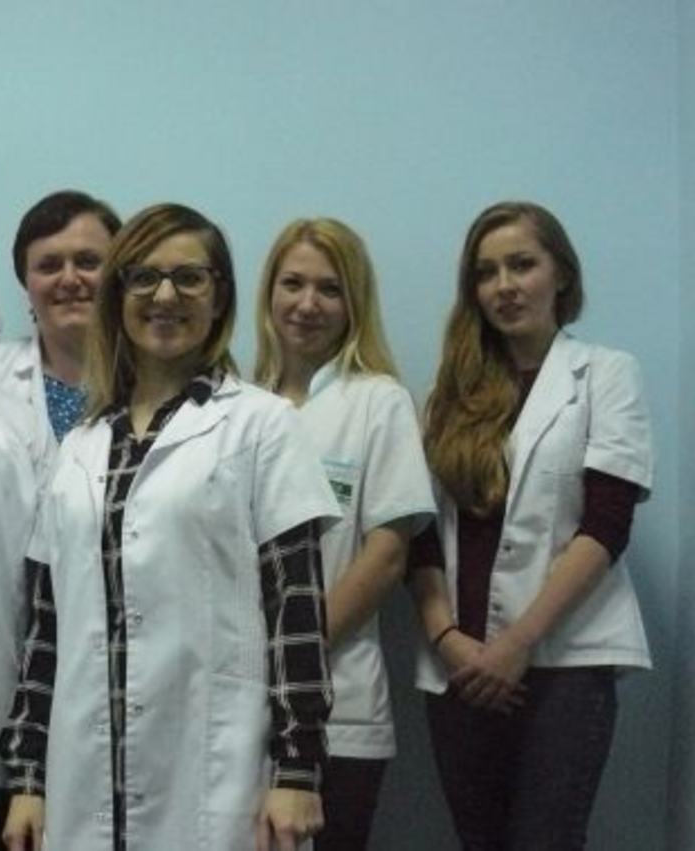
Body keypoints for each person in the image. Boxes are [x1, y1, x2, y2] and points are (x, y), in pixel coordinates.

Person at [0, 203, 341, 851]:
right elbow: (46, 631)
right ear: (118, 295)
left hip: (217, 773)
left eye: (189, 277)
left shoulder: (261, 425)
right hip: (84, 781)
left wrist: (297, 769)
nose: (165, 296)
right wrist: (29, 778)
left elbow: (296, 610)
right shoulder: (80, 445)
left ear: (220, 297)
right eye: (144, 277)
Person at [407, 201, 654, 849]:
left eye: (522, 265)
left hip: (562, 663)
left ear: (561, 274)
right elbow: (420, 532)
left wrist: (517, 644)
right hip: (459, 667)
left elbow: (606, 525)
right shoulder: (449, 393)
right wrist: (446, 638)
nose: (504, 285)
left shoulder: (605, 374)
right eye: (486, 272)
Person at [253, 218, 435, 850]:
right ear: (268, 292)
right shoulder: (238, 403)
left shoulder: (378, 401)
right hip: (237, 702)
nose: (308, 304)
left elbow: (386, 557)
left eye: (329, 289)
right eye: (293, 284)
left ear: (354, 302)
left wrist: (290, 657)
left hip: (339, 704)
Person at [0, 190, 121, 442]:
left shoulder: (154, 376)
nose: (69, 279)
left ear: (118, 273)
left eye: (87, 262)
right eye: (49, 266)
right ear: (25, 282)